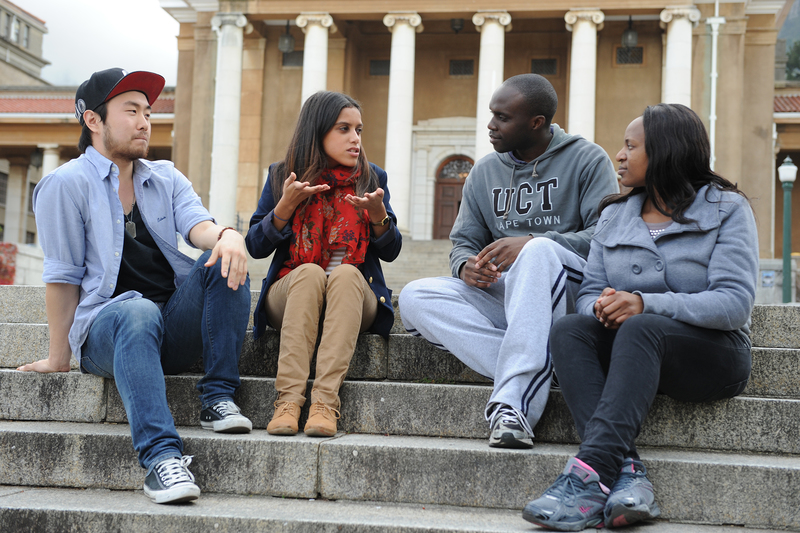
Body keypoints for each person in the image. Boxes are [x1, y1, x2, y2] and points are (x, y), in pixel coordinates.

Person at [17, 68, 253, 505]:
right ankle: (162, 458)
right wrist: (57, 356)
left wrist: (227, 236)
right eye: (132, 111)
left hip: (170, 328)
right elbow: (63, 275)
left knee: (222, 258)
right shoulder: (64, 185)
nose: (146, 121)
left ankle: (217, 396)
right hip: (107, 332)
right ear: (93, 120)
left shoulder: (164, 176)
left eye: (149, 111)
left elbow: (198, 226)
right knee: (136, 309)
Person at [522, 103, 757, 530]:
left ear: (665, 151)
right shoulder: (614, 214)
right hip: (633, 355)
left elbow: (733, 303)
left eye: (631, 146)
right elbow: (589, 290)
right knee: (570, 328)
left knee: (644, 325)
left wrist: (645, 303)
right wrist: (599, 306)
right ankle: (628, 472)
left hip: (710, 355)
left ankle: (588, 476)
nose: (620, 155)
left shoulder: (727, 208)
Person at [398, 74, 618, 448]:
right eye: (492, 114)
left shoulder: (587, 158)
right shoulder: (484, 172)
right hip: (509, 296)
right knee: (415, 295)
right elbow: (463, 242)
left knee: (538, 253)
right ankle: (544, 362)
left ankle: (513, 408)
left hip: (567, 291)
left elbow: (606, 236)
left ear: (536, 123)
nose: (491, 125)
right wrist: (466, 266)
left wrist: (534, 241)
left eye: (502, 117)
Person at [246, 91, 401, 438]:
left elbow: (391, 251)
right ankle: (287, 402)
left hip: (352, 299)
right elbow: (254, 246)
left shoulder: (372, 178)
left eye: (359, 130)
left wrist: (380, 219)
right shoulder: (281, 176)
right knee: (311, 273)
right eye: (343, 129)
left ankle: (324, 405)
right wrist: (284, 208)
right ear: (317, 132)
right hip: (292, 293)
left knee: (346, 274)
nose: (355, 139)